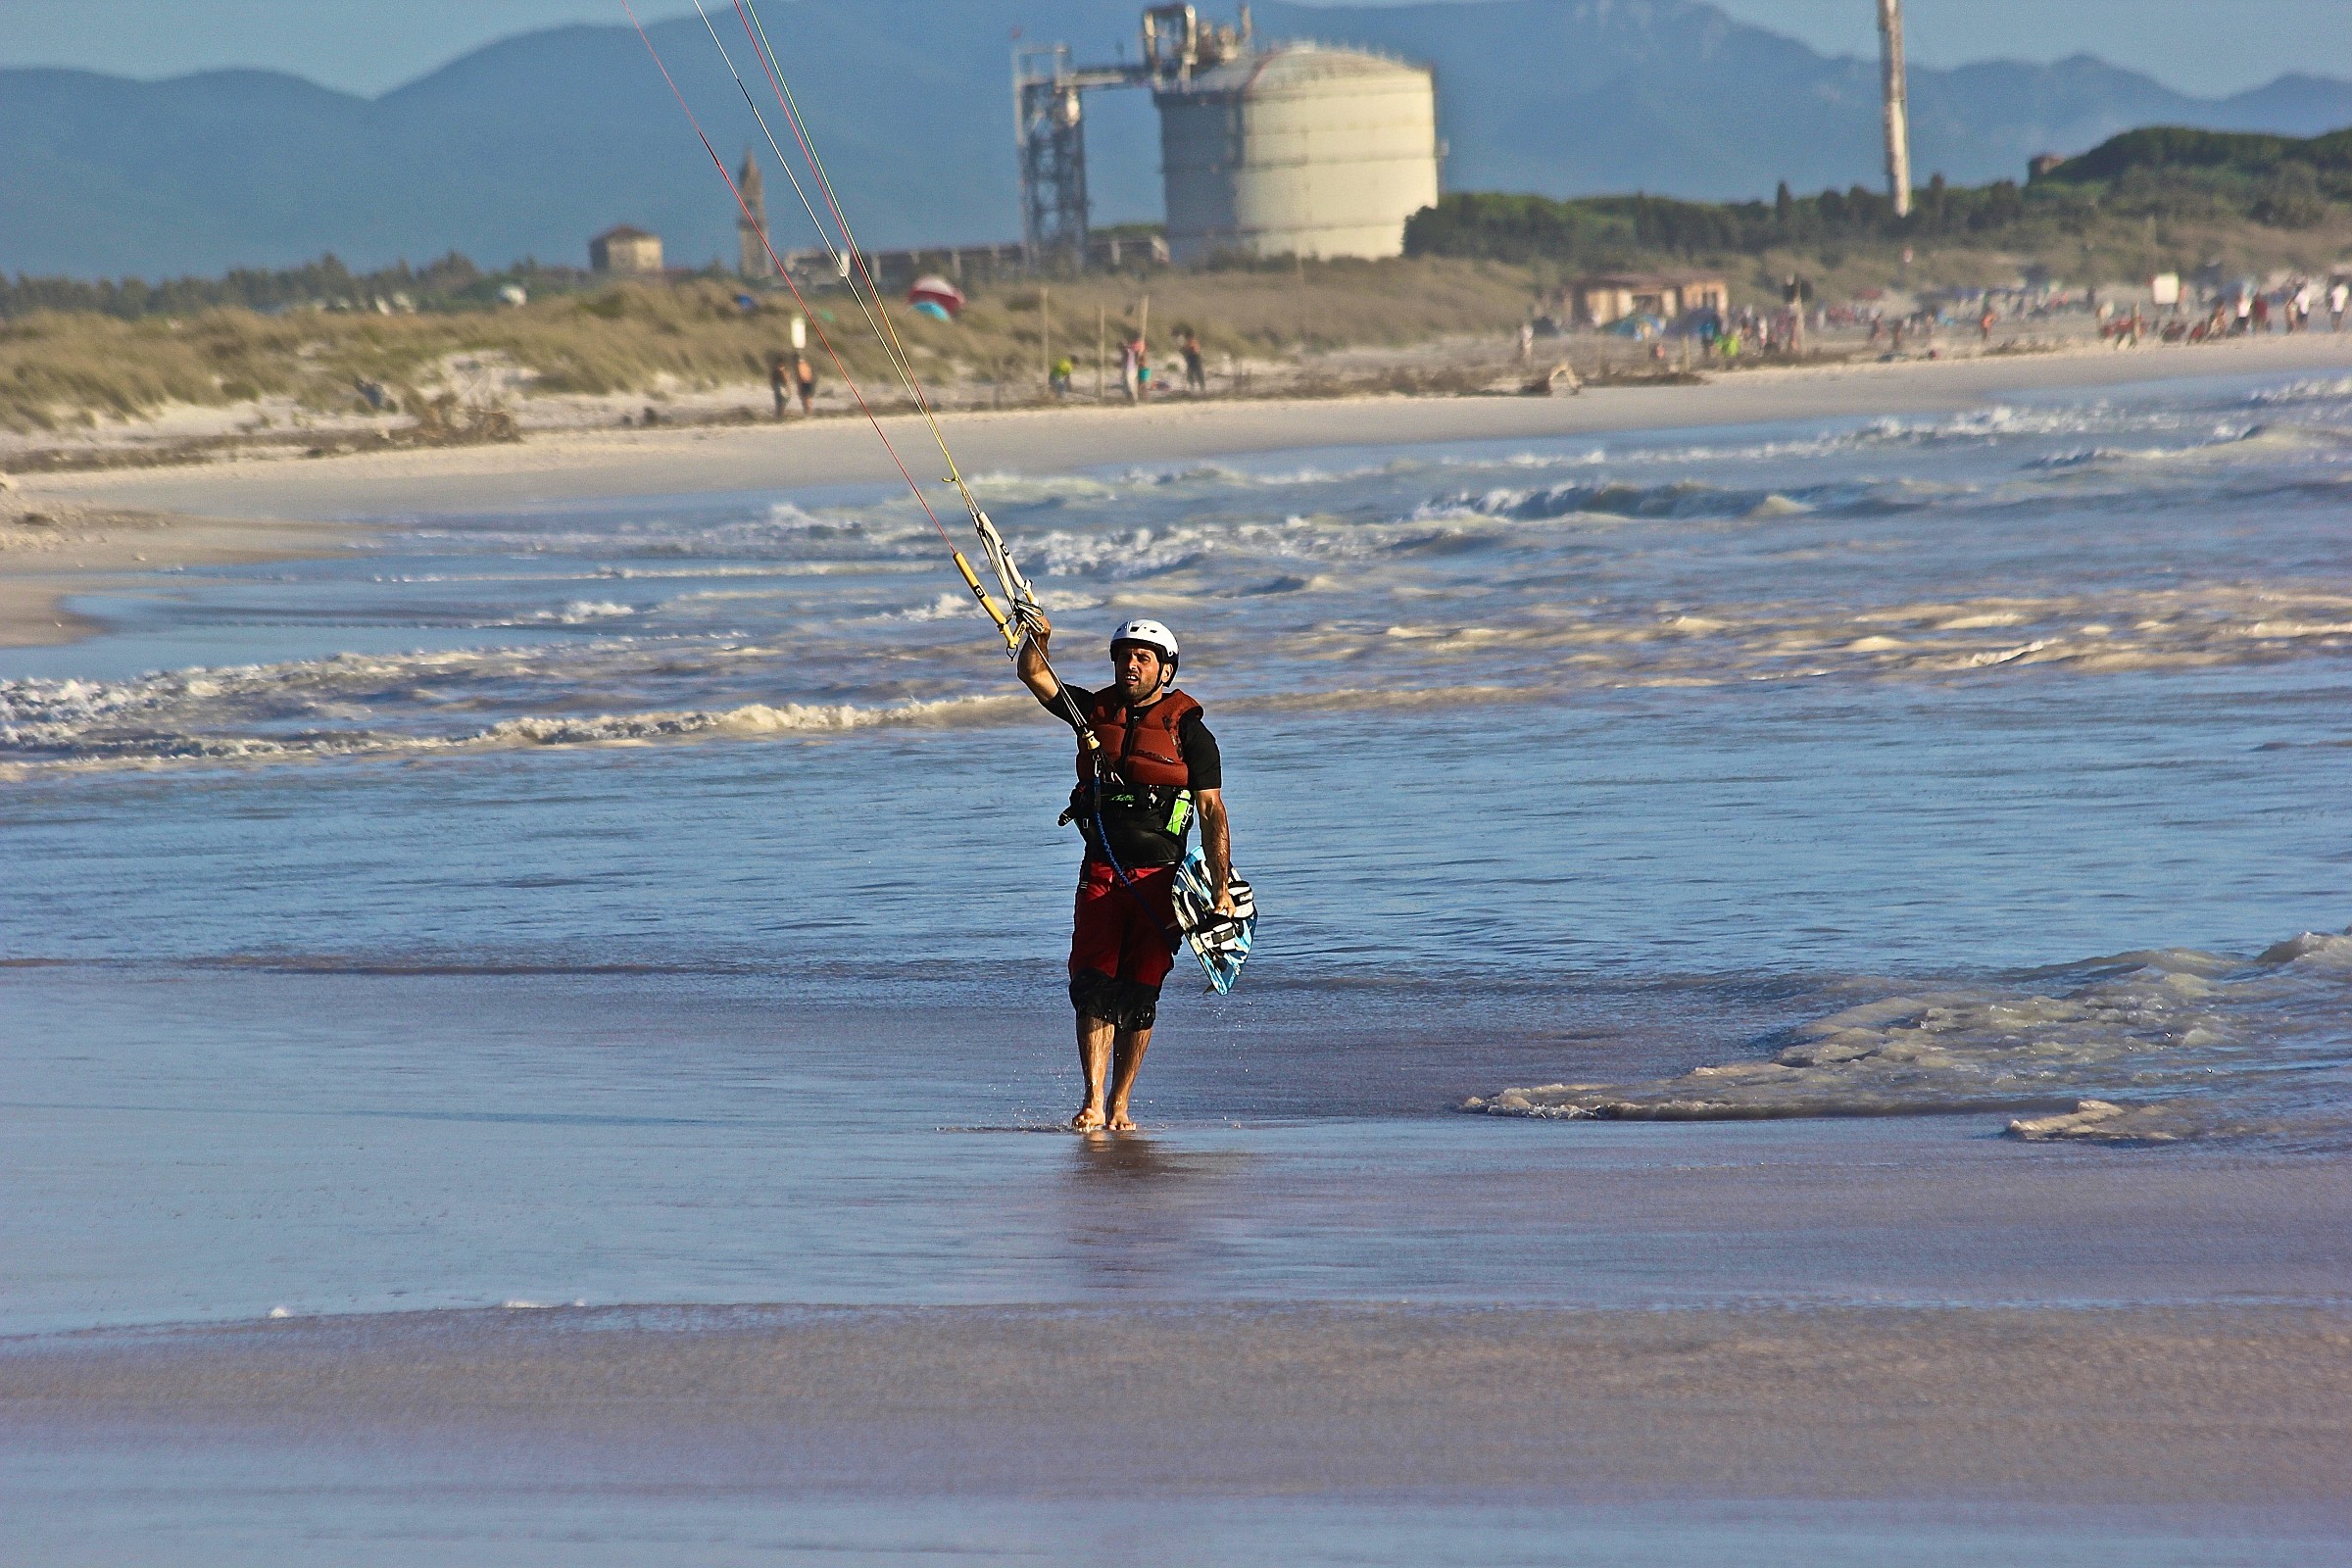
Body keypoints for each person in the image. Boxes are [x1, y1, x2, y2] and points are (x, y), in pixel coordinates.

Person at [1016, 615, 1236, 1133]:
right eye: (1123, 656)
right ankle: (1092, 1099)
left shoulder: (1191, 733)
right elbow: (1034, 675)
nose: (1130, 665)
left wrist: (1222, 892)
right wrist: (1039, 639)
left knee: (1139, 992)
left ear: (1166, 669)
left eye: (1142, 657)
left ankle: (1120, 1104)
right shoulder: (1091, 712)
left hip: (1162, 883)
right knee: (1093, 983)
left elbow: (1212, 815)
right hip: (1102, 872)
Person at [769, 354, 790, 420]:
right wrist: (788, 389)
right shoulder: (782, 370)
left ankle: (778, 417)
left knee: (778, 404)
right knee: (782, 404)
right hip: (781, 388)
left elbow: (772, 381)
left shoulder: (774, 370)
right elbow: (786, 380)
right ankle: (781, 417)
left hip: (776, 387)